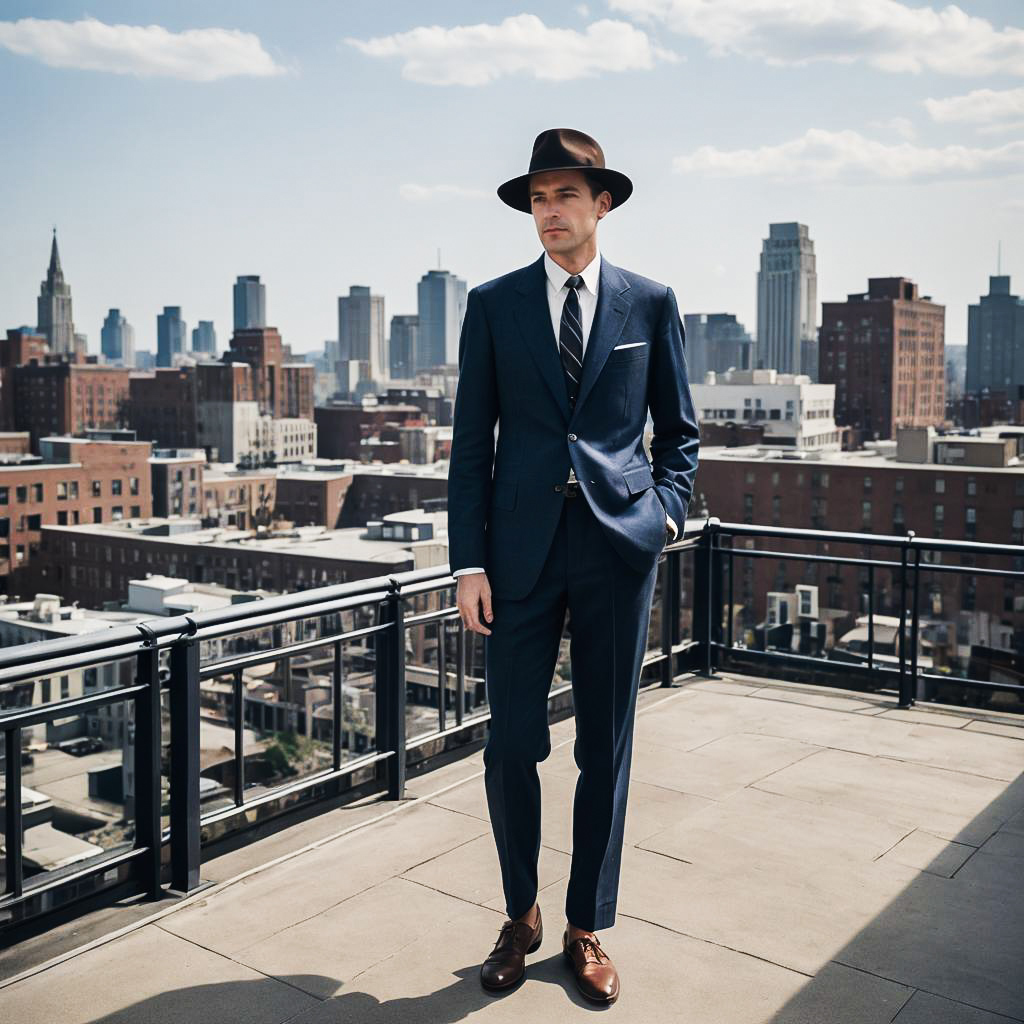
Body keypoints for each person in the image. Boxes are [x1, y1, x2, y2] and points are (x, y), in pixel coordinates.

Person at [447, 127, 700, 1005]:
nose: (547, 212)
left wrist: (662, 516)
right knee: (510, 743)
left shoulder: (651, 302)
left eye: (564, 195)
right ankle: (520, 916)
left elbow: (682, 433)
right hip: (514, 560)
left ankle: (586, 923)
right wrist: (466, 563)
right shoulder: (493, 303)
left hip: (616, 553)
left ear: (602, 203)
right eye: (536, 198)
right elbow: (469, 444)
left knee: (607, 747)